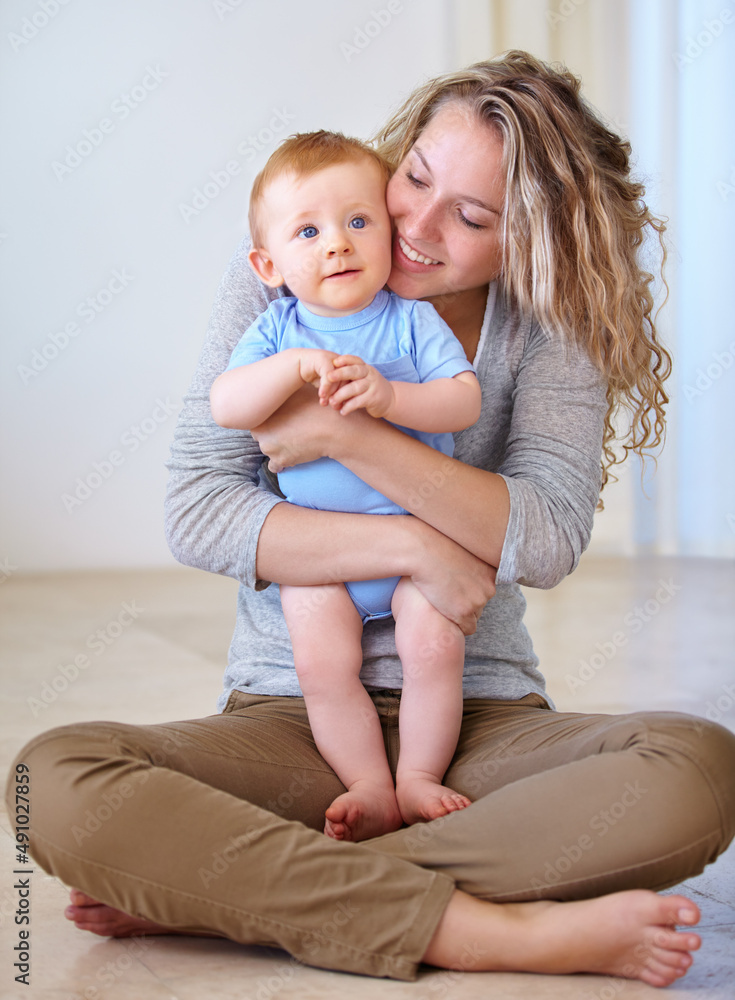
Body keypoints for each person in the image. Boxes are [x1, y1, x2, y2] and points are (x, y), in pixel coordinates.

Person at [7, 51, 735, 990]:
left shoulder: (546, 321)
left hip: (482, 724)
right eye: (416, 179)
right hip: (289, 714)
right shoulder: (289, 268)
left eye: (473, 219)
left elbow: (545, 536)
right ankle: (492, 932)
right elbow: (199, 507)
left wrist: (343, 436)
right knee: (52, 779)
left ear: (533, 242)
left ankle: (235, 896)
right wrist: (414, 547)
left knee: (697, 769)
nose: (417, 229)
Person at [210, 131, 481, 841]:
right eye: (309, 231)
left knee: (433, 648)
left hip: (418, 551)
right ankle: (366, 780)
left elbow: (462, 401)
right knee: (322, 666)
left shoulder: (411, 319)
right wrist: (294, 366)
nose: (337, 243)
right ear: (268, 264)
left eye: (358, 222)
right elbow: (228, 406)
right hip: (320, 557)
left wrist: (390, 399)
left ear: (389, 234)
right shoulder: (276, 331)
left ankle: (418, 775)